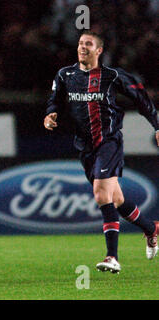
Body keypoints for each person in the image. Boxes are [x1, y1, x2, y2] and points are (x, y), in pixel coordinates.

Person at [44, 30, 158, 273]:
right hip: (84, 146)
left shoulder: (112, 76)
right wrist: (49, 114)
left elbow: (141, 99)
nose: (82, 47)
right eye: (80, 43)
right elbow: (54, 99)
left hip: (109, 142)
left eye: (88, 44)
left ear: (99, 50)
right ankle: (151, 228)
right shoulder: (65, 74)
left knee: (100, 194)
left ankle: (112, 257)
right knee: (116, 199)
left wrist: (158, 125)